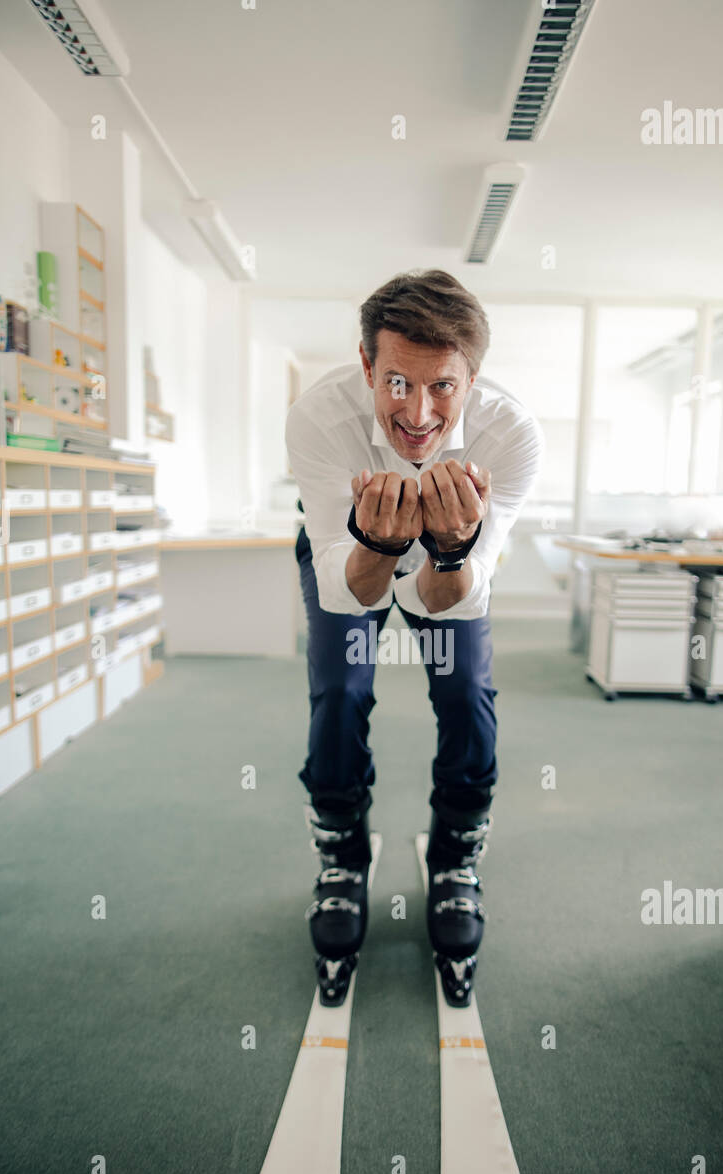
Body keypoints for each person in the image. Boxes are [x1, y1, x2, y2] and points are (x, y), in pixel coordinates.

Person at [287, 269, 542, 1008]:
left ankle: (456, 854)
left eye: (443, 387)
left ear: (473, 377)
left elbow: (445, 604)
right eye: (397, 382)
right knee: (341, 686)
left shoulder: (512, 437)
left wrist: (454, 550)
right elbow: (353, 591)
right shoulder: (318, 419)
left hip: (449, 556)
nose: (420, 412)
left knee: (465, 689)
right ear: (367, 365)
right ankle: (341, 853)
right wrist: (376, 539)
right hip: (350, 550)